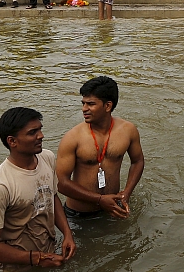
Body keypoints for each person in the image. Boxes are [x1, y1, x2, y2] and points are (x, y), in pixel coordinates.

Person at [0, 107, 76, 267]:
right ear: (12, 141)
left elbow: (52, 197)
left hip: (50, 253)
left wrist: (67, 234)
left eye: (40, 129)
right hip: (17, 267)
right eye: (32, 132)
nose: (41, 136)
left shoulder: (47, 158)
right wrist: (37, 259)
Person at [56, 76, 144, 219]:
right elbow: (61, 183)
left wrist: (126, 193)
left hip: (114, 209)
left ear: (108, 106)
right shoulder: (73, 137)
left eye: (90, 104)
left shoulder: (128, 130)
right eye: (83, 103)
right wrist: (100, 200)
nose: (84, 109)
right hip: (79, 215)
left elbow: (137, 161)